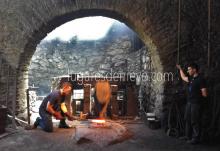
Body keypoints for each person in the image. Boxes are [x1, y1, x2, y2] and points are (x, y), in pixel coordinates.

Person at [176, 63, 208, 144]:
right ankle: (187, 136)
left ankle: (195, 138)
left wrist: (199, 99)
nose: (188, 71)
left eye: (189, 69)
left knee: (195, 121)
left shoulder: (200, 79)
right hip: (189, 103)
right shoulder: (191, 79)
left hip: (196, 104)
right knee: (187, 119)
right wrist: (180, 69)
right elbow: (183, 77)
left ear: (194, 70)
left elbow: (204, 94)